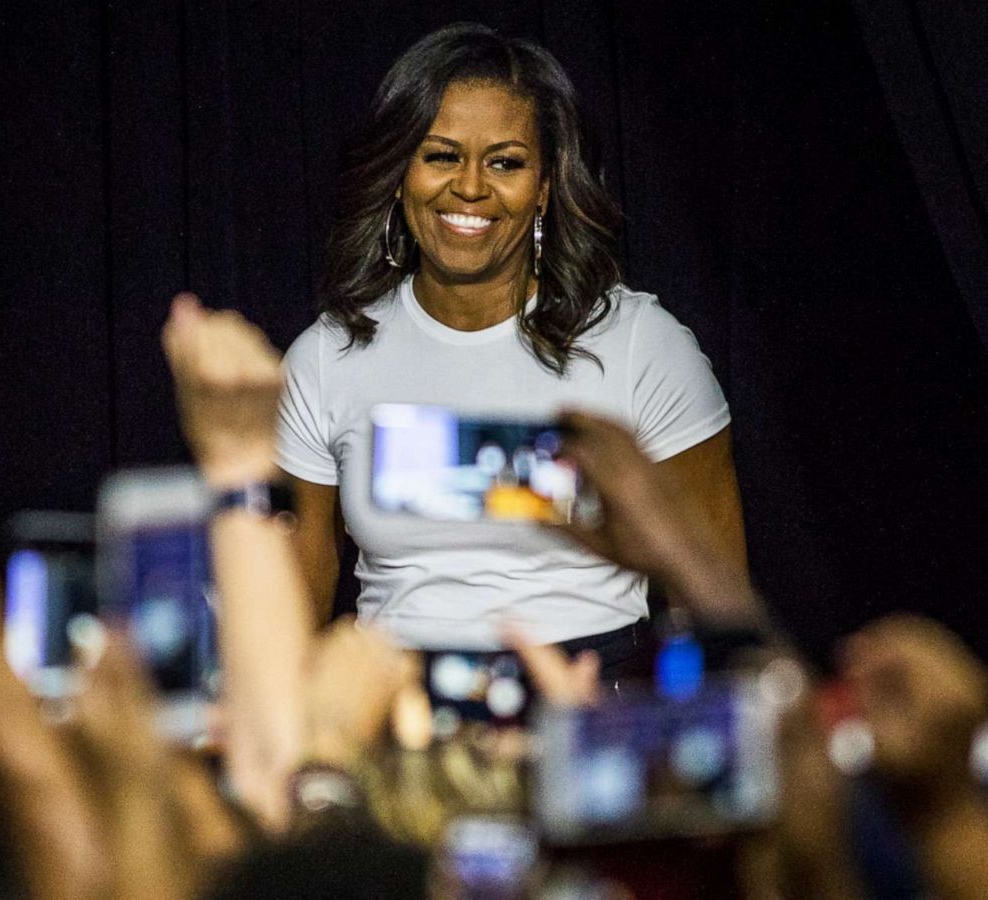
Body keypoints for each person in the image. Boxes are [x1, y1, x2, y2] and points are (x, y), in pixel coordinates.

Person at [277, 23, 751, 675]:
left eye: (505, 162)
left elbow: (718, 608)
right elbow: (291, 621)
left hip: (592, 710)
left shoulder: (643, 345)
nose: (470, 187)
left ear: (547, 187)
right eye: (440, 155)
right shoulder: (326, 357)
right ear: (397, 175)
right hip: (398, 730)